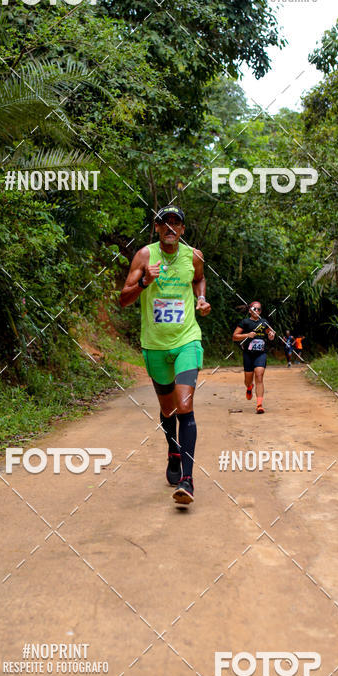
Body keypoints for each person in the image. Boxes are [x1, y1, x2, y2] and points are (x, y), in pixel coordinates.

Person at [119, 205, 211, 506]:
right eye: (164, 222)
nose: (170, 227)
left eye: (176, 222)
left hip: (187, 340)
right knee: (168, 409)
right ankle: (173, 450)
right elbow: (123, 299)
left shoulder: (193, 256)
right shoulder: (145, 257)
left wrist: (200, 298)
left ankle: (188, 479)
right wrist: (145, 281)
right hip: (154, 346)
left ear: (182, 230)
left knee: (185, 405)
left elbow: (199, 278)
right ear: (157, 228)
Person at [232, 302, 275, 414]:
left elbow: (270, 333)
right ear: (250, 310)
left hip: (261, 354)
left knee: (259, 376)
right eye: (254, 309)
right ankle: (249, 387)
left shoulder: (264, 322)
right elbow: (234, 337)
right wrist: (247, 335)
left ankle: (259, 405)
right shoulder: (245, 322)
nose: (257, 311)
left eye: (259, 309)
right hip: (248, 354)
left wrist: (271, 335)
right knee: (248, 380)